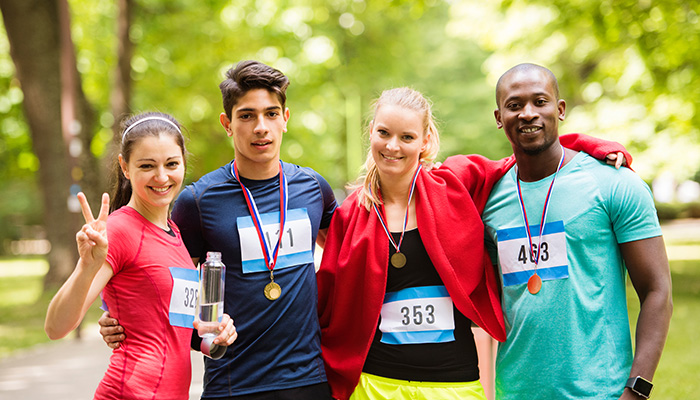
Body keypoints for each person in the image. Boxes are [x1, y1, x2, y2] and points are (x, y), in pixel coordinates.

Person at [316, 87, 631, 400]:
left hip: (454, 383)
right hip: (375, 383)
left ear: (425, 140)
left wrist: (592, 145)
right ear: (371, 132)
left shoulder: (454, 183)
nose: (392, 146)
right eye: (383, 133)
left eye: (407, 137)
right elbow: (329, 302)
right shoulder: (350, 215)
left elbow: (525, 154)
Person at [99, 61, 337, 399]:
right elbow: (163, 279)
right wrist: (116, 316)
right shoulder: (197, 201)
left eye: (271, 114)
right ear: (227, 123)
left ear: (286, 118)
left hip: (309, 379)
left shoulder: (313, 188)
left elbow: (352, 259)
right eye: (246, 115)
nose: (260, 127)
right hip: (233, 382)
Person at [481, 63, 673, 399]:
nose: (528, 113)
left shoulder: (614, 184)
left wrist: (637, 389)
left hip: (601, 392)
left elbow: (658, 291)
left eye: (540, 101)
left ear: (560, 109)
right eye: (514, 105)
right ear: (499, 117)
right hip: (514, 391)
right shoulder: (489, 200)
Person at [44, 112, 237, 399]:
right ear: (124, 166)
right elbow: (56, 327)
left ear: (183, 161)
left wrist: (216, 333)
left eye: (171, 164)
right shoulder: (119, 230)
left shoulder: (174, 231)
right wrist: (87, 266)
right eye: (147, 165)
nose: (161, 177)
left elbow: (170, 326)